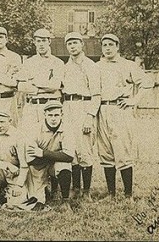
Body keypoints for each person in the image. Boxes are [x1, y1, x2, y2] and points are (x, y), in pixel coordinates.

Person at [97, 33, 153, 202]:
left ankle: (128, 194)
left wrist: (134, 100)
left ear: (117, 46)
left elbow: (148, 83)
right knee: (105, 152)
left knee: (122, 151)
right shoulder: (97, 66)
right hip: (102, 109)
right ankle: (111, 194)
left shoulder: (128, 65)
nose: (107, 48)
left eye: (110, 45)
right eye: (104, 45)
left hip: (120, 110)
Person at [62, 32, 101, 202]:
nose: (72, 46)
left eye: (75, 42)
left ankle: (86, 191)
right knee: (71, 148)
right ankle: (75, 188)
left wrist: (89, 116)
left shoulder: (91, 65)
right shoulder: (65, 66)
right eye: (69, 43)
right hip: (68, 106)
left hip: (84, 106)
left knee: (85, 149)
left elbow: (97, 94)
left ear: (82, 44)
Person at [25, 100, 75, 211]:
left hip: (51, 161)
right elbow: (31, 158)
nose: (53, 118)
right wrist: (53, 156)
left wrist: (43, 153)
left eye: (56, 115)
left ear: (62, 115)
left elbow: (69, 156)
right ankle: (44, 191)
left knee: (64, 166)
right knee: (37, 202)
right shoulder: (35, 129)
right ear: (45, 115)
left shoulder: (68, 129)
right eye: (50, 115)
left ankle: (65, 200)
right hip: (38, 166)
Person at [17, 28, 64, 128]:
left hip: (51, 106)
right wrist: (42, 88)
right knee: (29, 137)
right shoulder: (28, 62)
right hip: (32, 105)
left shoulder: (57, 62)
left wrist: (33, 83)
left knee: (49, 137)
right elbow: (21, 86)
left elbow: (54, 86)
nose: (41, 44)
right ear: (34, 42)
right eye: (38, 41)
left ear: (49, 41)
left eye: (44, 41)